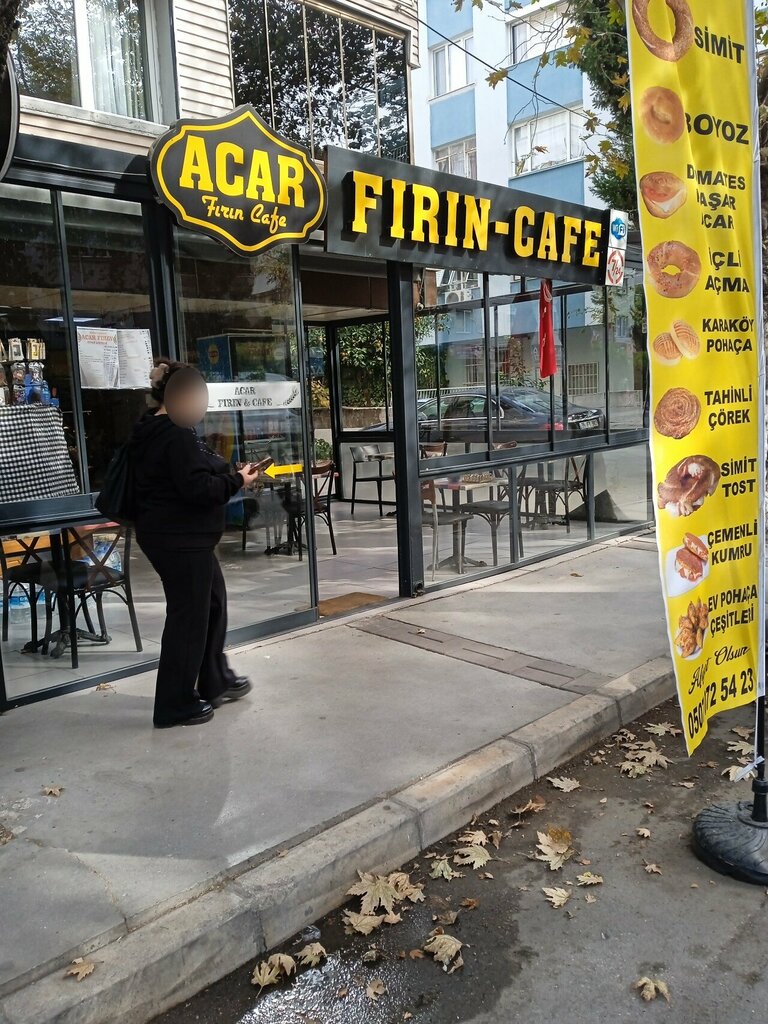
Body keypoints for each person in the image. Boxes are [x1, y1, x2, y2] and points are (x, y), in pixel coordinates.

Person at [130, 359, 261, 728]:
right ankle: (175, 704)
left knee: (213, 604)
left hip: (175, 539)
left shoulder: (152, 428)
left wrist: (232, 473)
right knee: (188, 620)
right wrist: (238, 482)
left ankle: (214, 679)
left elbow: (193, 470)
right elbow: (197, 488)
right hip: (180, 541)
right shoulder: (174, 433)